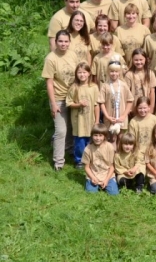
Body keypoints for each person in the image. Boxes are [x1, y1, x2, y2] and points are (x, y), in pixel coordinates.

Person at [43, 30, 81, 170]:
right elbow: (49, 83)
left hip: (73, 97)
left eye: (66, 41)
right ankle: (58, 162)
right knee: (60, 131)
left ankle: (69, 149)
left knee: (71, 127)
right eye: (60, 41)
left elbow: (78, 74)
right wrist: (53, 104)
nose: (63, 44)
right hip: (59, 98)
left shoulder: (72, 55)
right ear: (56, 42)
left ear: (69, 42)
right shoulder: (51, 59)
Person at [66, 62, 100, 169]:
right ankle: (79, 160)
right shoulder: (74, 87)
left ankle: (91, 160)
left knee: (91, 141)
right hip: (78, 120)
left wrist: (97, 121)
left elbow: (96, 105)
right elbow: (69, 103)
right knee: (79, 142)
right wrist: (78, 105)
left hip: (90, 120)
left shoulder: (94, 87)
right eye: (79, 73)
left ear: (89, 73)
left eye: (84, 72)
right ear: (76, 74)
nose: (82, 75)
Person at [98, 60, 134, 144]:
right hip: (110, 118)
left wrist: (124, 116)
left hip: (121, 117)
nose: (114, 74)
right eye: (112, 71)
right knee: (111, 139)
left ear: (119, 72)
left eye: (116, 71)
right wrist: (107, 116)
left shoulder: (123, 85)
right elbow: (101, 102)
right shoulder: (105, 86)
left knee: (121, 138)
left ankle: (119, 152)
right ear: (108, 72)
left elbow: (130, 100)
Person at [82, 123, 119, 195]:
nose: (98, 138)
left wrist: (106, 180)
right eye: (95, 135)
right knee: (91, 193)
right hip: (94, 175)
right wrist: (93, 177)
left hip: (107, 175)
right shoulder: (88, 149)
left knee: (114, 194)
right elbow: (86, 167)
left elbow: (112, 166)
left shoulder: (110, 147)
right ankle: (95, 185)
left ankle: (107, 183)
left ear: (104, 136)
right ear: (92, 136)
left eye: (100, 135)